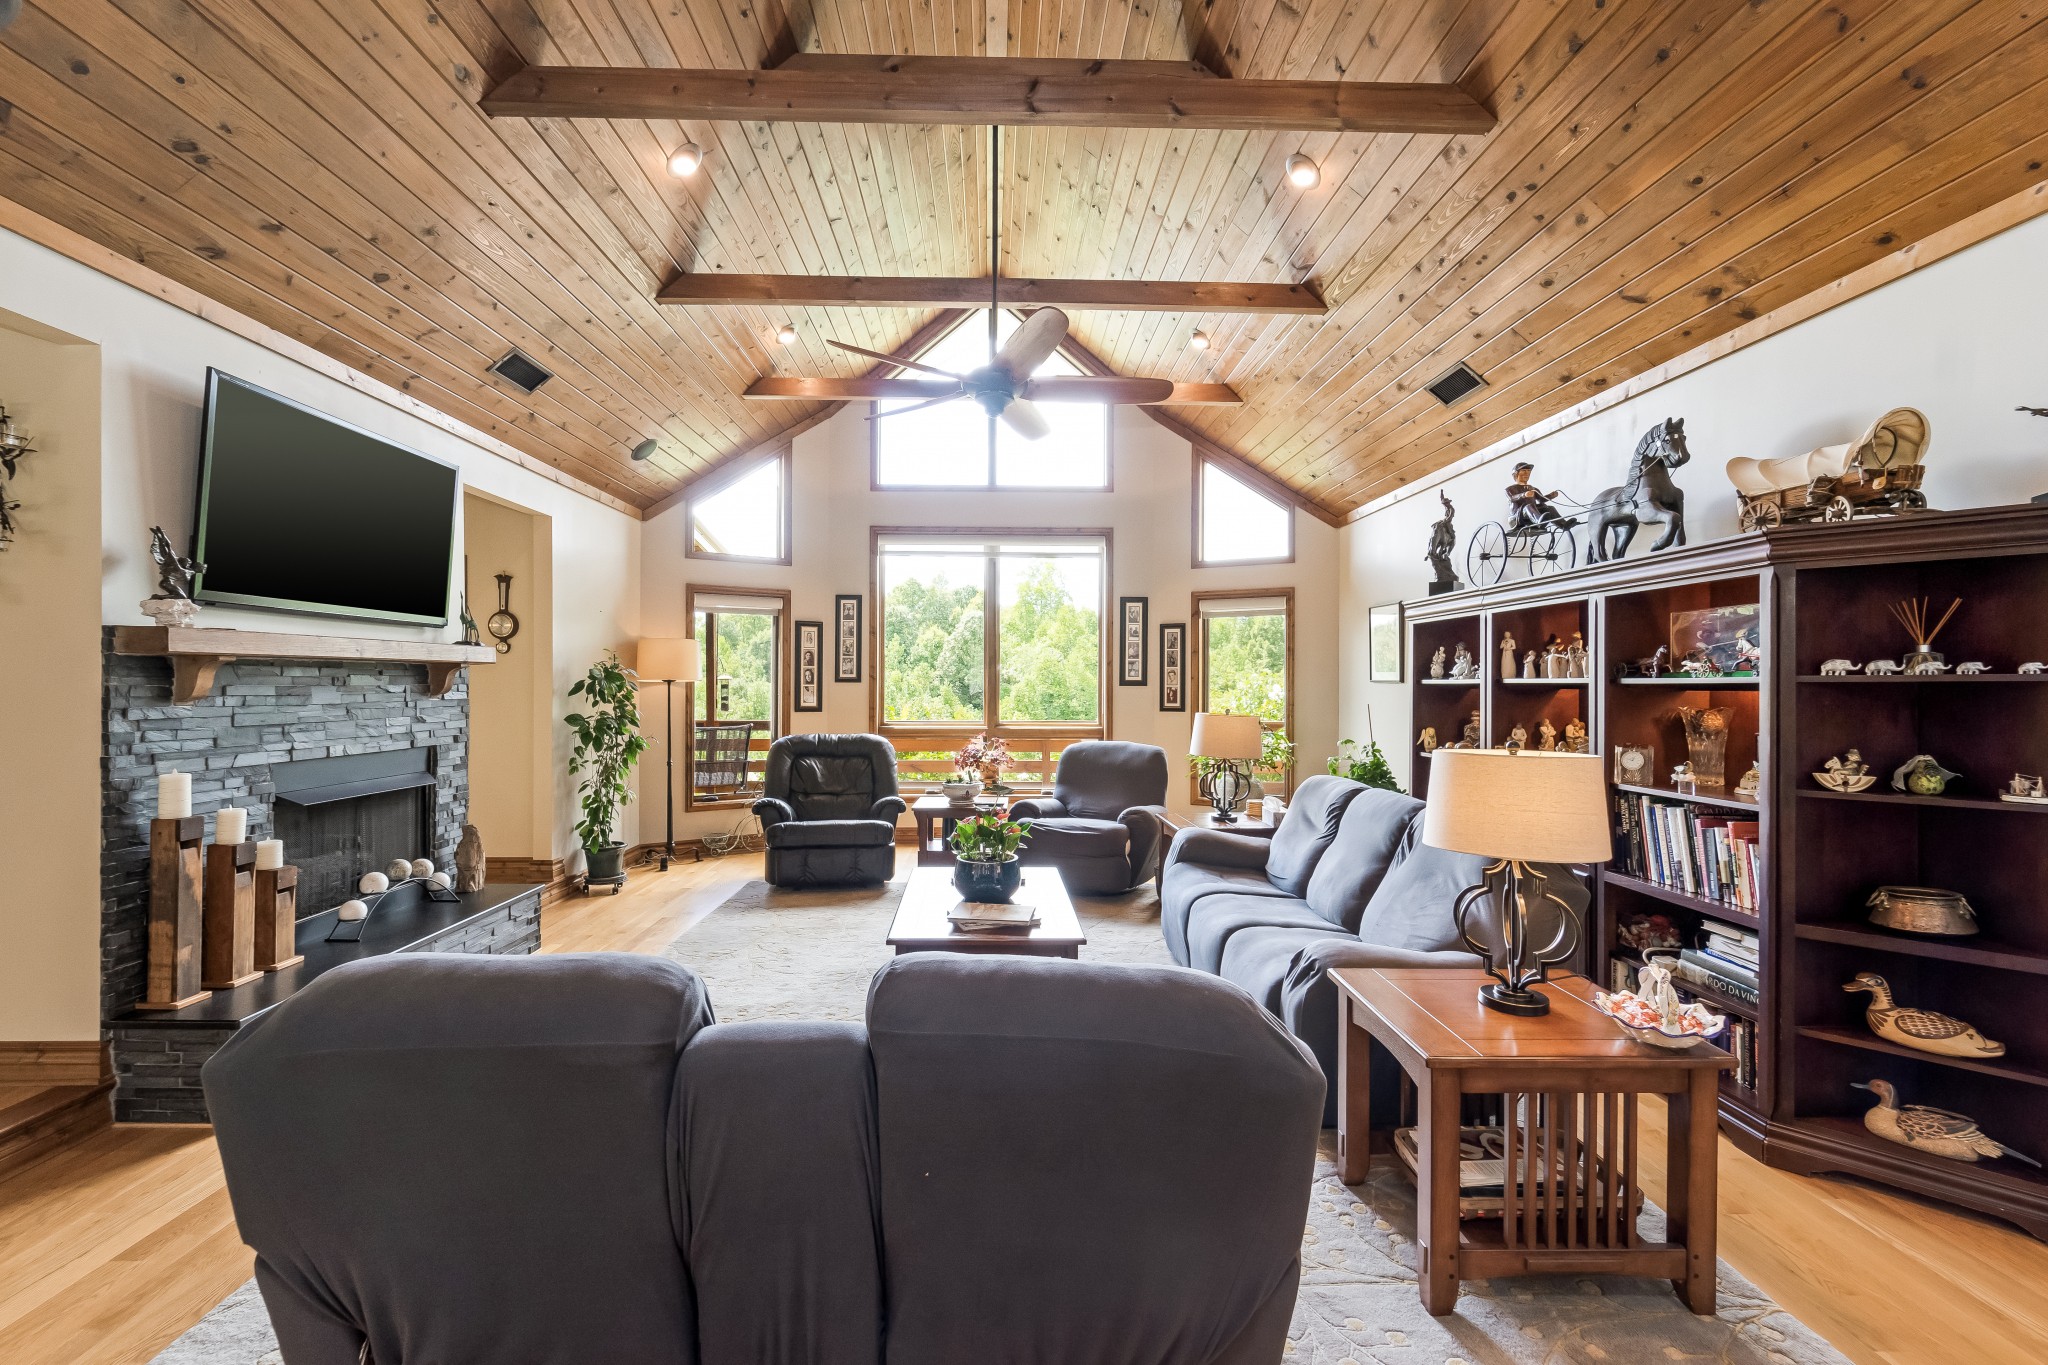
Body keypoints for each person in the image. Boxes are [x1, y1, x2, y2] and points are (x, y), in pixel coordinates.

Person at [1506, 462, 1569, 531]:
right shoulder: (1510, 489)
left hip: (1533, 512)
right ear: (1516, 474)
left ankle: (1563, 524)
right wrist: (1524, 495)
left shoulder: (1533, 489)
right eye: (1523, 471)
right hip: (1518, 516)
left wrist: (1551, 496)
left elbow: (1541, 500)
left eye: (1528, 471)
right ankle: (1539, 522)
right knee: (1528, 506)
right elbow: (1512, 498)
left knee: (1550, 508)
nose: (1526, 473)